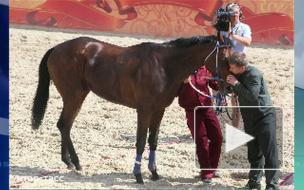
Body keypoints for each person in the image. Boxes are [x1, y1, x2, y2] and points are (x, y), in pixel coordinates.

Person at [226, 52, 279, 189]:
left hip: (265, 117)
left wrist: (236, 84)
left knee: (269, 152)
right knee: (254, 153)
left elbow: (252, 96)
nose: (230, 70)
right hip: (250, 119)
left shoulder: (254, 74)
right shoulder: (238, 74)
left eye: (232, 67)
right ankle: (254, 182)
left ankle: (272, 185)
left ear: (242, 68)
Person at [178, 65, 223, 183]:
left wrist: (224, 85)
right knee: (201, 140)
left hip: (207, 107)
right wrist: (182, 83)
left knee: (217, 137)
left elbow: (214, 84)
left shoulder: (206, 68)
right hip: (192, 109)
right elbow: (172, 90)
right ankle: (206, 171)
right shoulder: (183, 68)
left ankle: (212, 168)